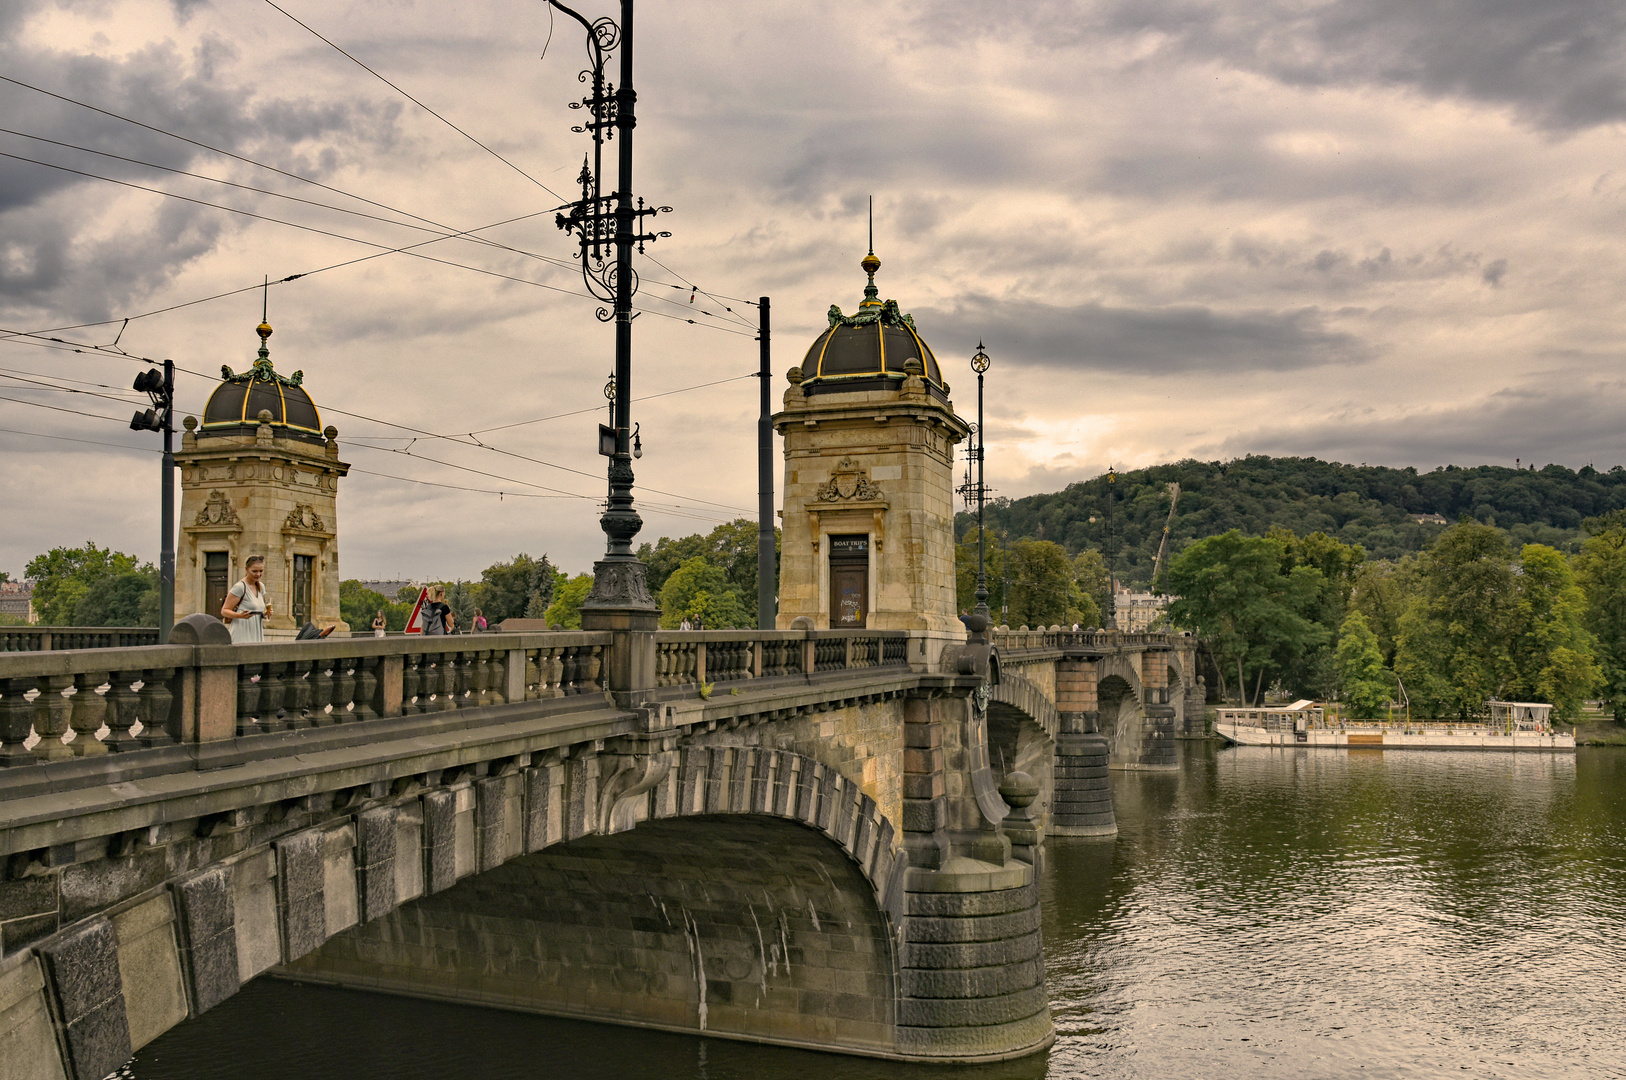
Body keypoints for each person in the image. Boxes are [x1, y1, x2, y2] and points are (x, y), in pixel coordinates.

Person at [222, 555, 271, 643]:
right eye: (254, 571)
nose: (258, 574)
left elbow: (257, 609)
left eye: (261, 571)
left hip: (256, 631)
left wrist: (265, 614)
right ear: (246, 569)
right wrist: (240, 615)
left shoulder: (261, 587)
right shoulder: (240, 587)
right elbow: (224, 610)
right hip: (241, 631)